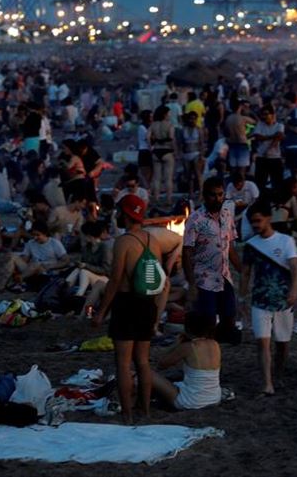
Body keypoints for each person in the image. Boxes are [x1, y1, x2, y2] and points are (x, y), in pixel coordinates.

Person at [92, 194, 162, 424]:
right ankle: (145, 410)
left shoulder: (124, 242)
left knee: (122, 363)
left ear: (125, 214)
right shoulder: (154, 241)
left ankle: (127, 414)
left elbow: (114, 281)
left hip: (127, 304)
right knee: (142, 361)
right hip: (147, 304)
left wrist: (102, 311)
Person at [241, 200, 297, 396]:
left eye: (258, 221)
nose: (255, 225)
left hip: (283, 300)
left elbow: (295, 269)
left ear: (268, 218)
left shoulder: (285, 241)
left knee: (282, 343)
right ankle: (267, 383)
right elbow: (245, 273)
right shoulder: (251, 245)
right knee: (262, 343)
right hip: (260, 300)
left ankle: (279, 375)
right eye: (252, 222)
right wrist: (242, 298)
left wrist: (294, 290)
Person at [183, 177, 242, 343]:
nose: (217, 199)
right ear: (204, 195)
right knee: (207, 319)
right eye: (213, 195)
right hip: (204, 277)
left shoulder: (226, 215)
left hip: (224, 276)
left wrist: (242, 271)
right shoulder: (195, 219)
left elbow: (229, 247)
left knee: (229, 317)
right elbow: (187, 252)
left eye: (220, 194)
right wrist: (192, 284)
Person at [151, 311, 221, 410]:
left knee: (148, 374)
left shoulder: (189, 346)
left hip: (192, 401)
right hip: (214, 398)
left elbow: (162, 364)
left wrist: (177, 343)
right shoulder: (215, 344)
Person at [1, 220, 70, 293]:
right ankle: (1, 285)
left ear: (45, 233)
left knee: (37, 264)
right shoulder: (31, 243)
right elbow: (25, 260)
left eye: (38, 235)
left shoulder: (54, 243)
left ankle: (19, 280)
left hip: (47, 270)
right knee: (13, 255)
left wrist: (50, 266)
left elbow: (66, 260)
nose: (35, 237)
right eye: (33, 235)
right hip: (31, 269)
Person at [252, 105, 285, 190]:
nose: (264, 116)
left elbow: (279, 137)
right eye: (263, 114)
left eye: (266, 114)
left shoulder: (279, 125)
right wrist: (272, 136)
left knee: (277, 183)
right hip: (261, 157)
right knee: (260, 184)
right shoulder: (260, 124)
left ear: (273, 115)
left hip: (275, 157)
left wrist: (268, 143)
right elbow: (257, 137)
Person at [149, 106, 176, 207]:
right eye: (168, 113)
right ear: (165, 114)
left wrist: (151, 147)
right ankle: (168, 199)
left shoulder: (153, 125)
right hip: (167, 151)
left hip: (156, 151)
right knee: (168, 178)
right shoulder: (169, 125)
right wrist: (175, 151)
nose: (169, 115)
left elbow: (148, 137)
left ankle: (156, 198)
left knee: (156, 178)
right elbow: (171, 138)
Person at [224, 100, 256, 177]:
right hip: (242, 144)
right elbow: (257, 123)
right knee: (242, 172)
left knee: (233, 170)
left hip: (232, 144)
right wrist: (249, 135)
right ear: (240, 107)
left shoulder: (228, 119)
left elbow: (225, 133)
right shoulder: (243, 118)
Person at [177, 111, 204, 200]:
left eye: (194, 119)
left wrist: (201, 155)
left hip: (196, 153)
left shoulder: (199, 129)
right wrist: (180, 154)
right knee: (189, 175)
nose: (192, 121)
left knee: (198, 174)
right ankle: (191, 193)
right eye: (191, 118)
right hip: (186, 154)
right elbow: (180, 143)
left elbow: (201, 143)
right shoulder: (183, 130)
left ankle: (201, 193)